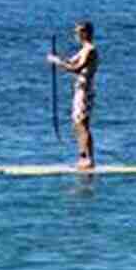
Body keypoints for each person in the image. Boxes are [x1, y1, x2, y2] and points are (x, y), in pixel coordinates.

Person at [47, 20, 99, 170]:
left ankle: (88, 159)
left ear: (86, 33)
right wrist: (58, 58)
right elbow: (70, 61)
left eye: (78, 32)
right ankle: (83, 156)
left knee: (82, 124)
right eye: (75, 32)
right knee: (78, 124)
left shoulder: (90, 50)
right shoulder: (83, 50)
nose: (76, 35)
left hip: (85, 90)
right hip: (80, 89)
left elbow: (76, 68)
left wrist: (57, 62)